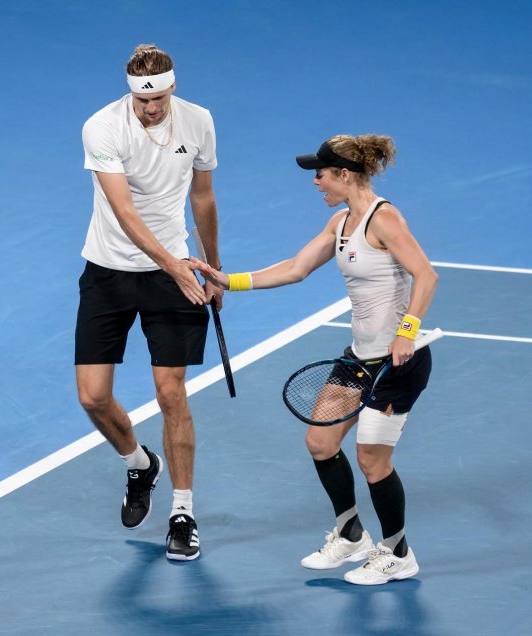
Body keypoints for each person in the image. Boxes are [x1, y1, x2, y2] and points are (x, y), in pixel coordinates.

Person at [193, 134, 438, 584]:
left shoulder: (385, 219)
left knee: (371, 462)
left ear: (344, 175)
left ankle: (399, 553)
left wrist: (407, 332)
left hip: (397, 363)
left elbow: (427, 274)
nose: (316, 183)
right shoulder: (340, 223)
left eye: (320, 174)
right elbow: (295, 268)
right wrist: (227, 280)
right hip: (359, 359)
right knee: (321, 444)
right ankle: (350, 535)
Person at [77, 44, 222, 561]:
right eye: (143, 101)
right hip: (111, 272)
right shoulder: (103, 127)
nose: (152, 108)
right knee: (92, 397)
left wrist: (213, 267)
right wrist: (175, 266)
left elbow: (202, 197)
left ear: (172, 87)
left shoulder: (199, 122)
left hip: (175, 272)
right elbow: (123, 211)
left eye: (158, 98)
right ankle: (140, 463)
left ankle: (182, 512)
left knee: (171, 394)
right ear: (131, 93)